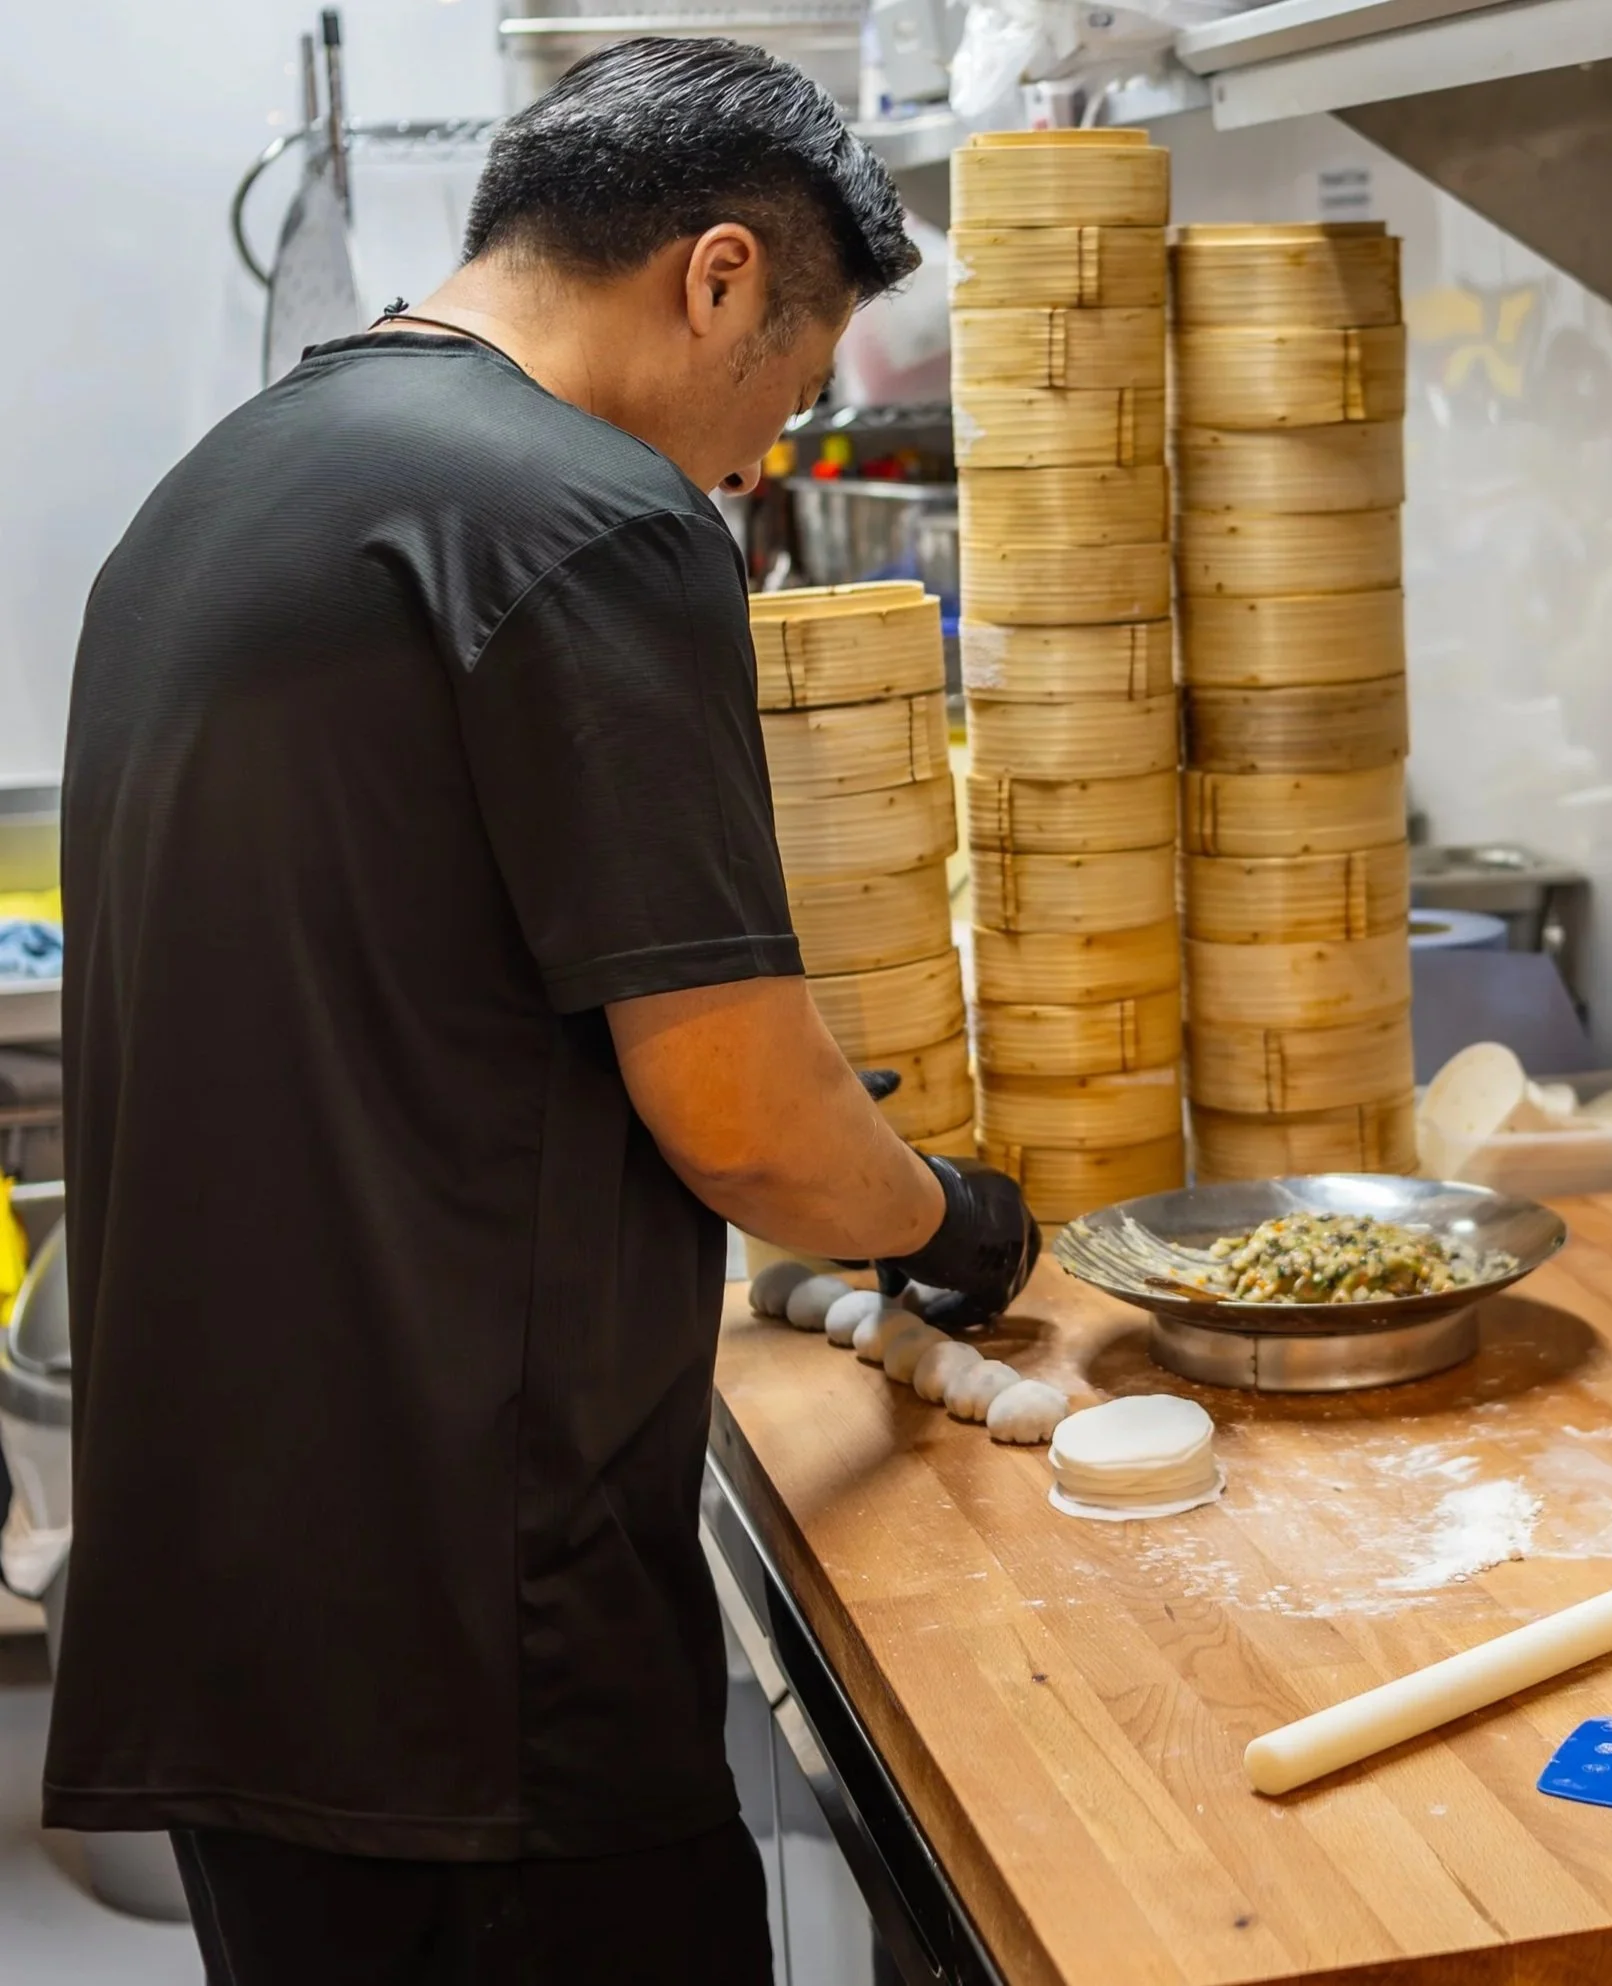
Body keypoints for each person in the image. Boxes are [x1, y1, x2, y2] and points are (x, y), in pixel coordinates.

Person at [48, 36, 1037, 1983]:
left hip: (237, 1631)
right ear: (723, 274)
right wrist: (950, 1217)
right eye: (787, 389)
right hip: (470, 1654)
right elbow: (745, 1119)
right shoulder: (587, 521)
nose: (756, 464)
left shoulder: (227, 488)